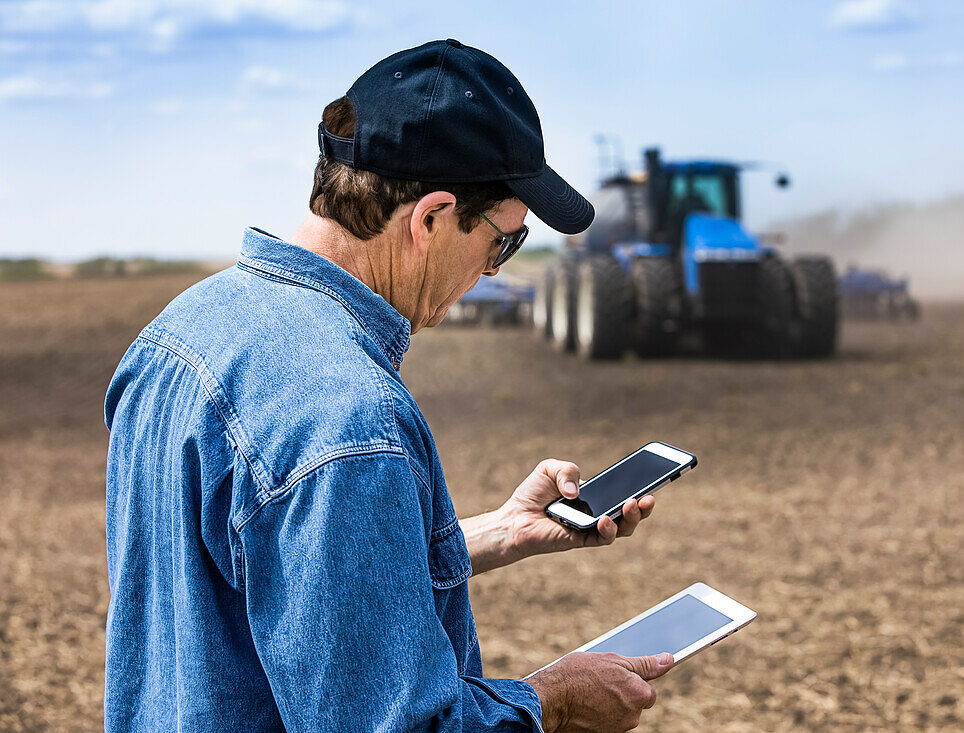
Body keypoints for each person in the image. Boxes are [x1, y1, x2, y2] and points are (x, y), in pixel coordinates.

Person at [104, 39, 674, 732]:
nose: (493, 271)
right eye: (502, 241)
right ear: (431, 218)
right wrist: (553, 698)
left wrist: (500, 532)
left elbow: (268, 572)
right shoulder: (350, 420)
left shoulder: (178, 331)